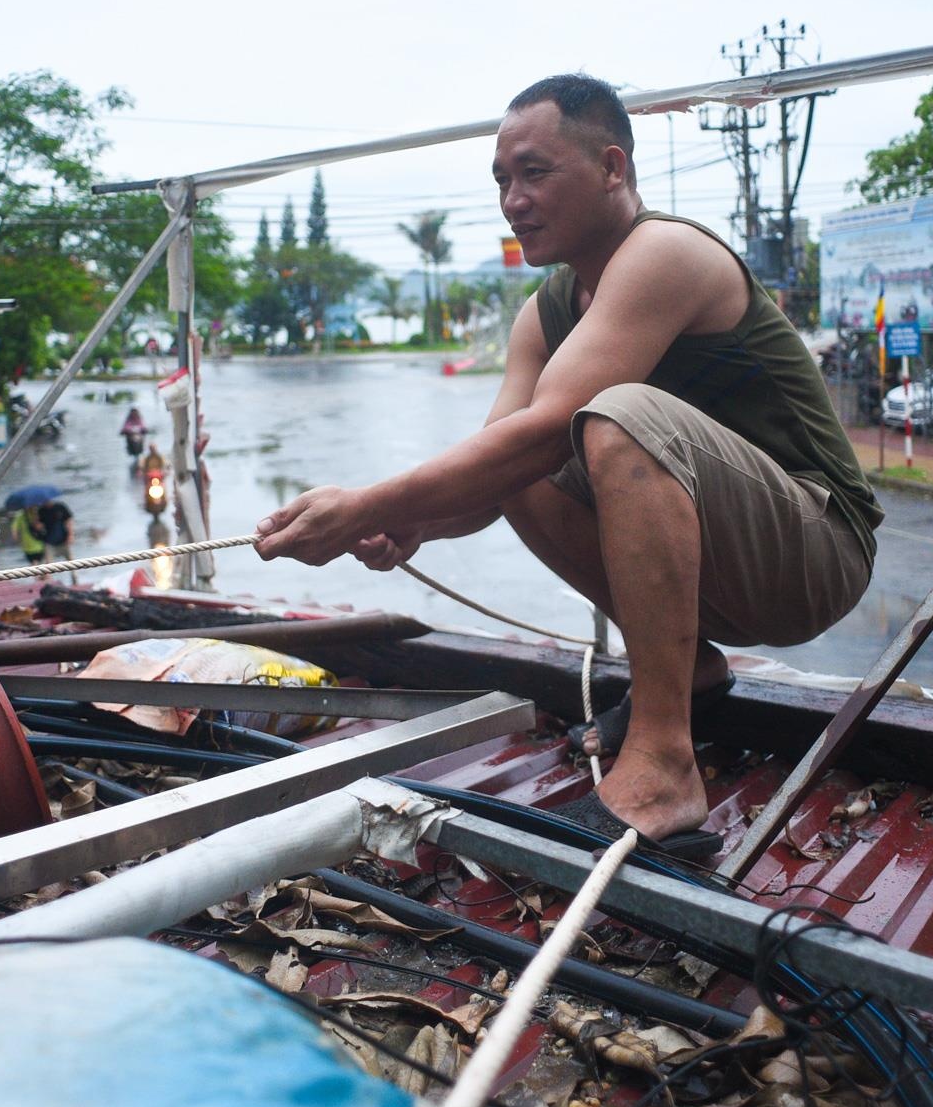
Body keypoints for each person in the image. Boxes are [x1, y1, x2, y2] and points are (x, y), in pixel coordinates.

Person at [253, 73, 880, 846]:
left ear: (613, 168)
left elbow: (550, 431)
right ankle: (687, 676)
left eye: (535, 172)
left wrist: (371, 501)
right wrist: (413, 523)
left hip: (817, 551)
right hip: (723, 560)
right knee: (521, 453)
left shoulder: (667, 252)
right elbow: (500, 465)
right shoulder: (545, 312)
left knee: (614, 417)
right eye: (502, 180)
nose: (513, 199)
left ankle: (665, 765)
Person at [37, 498, 75, 565]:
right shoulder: (41, 510)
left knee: (71, 560)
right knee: (48, 563)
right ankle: (48, 575)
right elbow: (39, 526)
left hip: (63, 539)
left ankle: (74, 575)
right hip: (49, 541)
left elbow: (69, 520)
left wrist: (70, 535)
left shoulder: (60, 507)